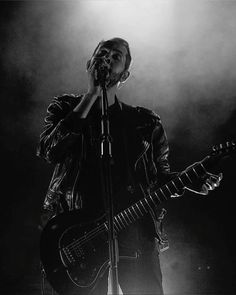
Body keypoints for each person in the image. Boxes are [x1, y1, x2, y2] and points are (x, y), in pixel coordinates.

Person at [37, 37, 222, 295]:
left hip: (135, 236)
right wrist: (91, 95)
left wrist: (191, 180)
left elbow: (157, 178)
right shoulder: (65, 108)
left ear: (125, 73)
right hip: (79, 233)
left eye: (117, 56)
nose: (108, 58)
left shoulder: (144, 123)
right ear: (90, 63)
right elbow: (50, 150)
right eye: (103, 53)